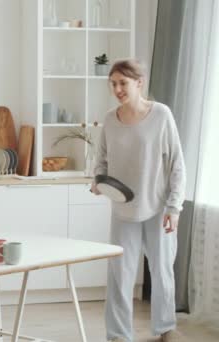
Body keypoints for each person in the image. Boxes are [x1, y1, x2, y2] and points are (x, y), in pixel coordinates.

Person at [92, 59, 186, 342]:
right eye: (113, 84)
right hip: (123, 211)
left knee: (162, 273)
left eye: (123, 83)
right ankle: (119, 334)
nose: (118, 89)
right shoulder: (110, 119)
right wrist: (98, 182)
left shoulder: (161, 115)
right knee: (120, 278)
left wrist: (174, 207)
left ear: (139, 83)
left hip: (158, 208)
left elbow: (177, 165)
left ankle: (166, 329)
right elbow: (101, 162)